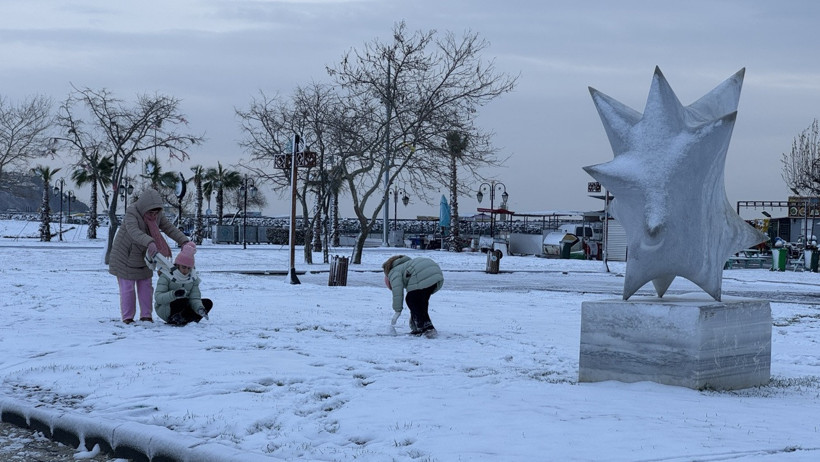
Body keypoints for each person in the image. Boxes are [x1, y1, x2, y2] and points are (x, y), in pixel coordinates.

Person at [108, 188, 192, 324]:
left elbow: (169, 228)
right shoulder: (132, 213)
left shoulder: (158, 215)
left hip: (145, 256)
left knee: (146, 286)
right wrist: (150, 242)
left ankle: (146, 316)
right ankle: (128, 317)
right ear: (143, 208)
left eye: (156, 212)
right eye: (150, 212)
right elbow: (133, 231)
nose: (153, 215)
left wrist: (184, 241)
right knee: (128, 288)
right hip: (124, 256)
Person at [382, 255, 444, 337]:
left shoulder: (393, 272)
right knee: (420, 302)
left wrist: (397, 310)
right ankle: (421, 327)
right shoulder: (406, 265)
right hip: (435, 274)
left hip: (421, 274)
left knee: (411, 299)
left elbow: (397, 292)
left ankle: (427, 328)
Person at [152, 244, 212, 326]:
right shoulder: (166, 276)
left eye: (189, 268)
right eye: (184, 267)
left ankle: (186, 319)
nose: (186, 271)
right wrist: (174, 294)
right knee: (182, 300)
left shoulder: (192, 278)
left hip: (184, 306)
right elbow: (158, 298)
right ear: (177, 265)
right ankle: (175, 319)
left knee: (207, 303)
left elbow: (194, 298)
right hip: (165, 308)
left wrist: (199, 308)